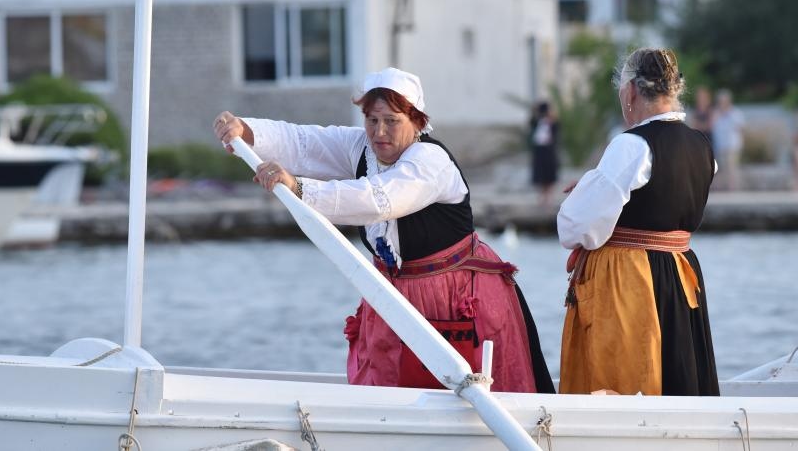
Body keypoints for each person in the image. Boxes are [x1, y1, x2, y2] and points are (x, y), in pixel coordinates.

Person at [212, 67, 554, 393]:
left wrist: (299, 188)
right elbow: (304, 142)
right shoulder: (361, 148)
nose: (379, 132)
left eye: (392, 121)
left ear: (417, 122)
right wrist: (246, 130)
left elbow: (380, 199)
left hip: (455, 296)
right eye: (372, 120)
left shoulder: (430, 162)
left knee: (470, 391)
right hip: (396, 297)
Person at [556, 48, 719, 397]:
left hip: (631, 279)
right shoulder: (702, 146)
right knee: (676, 368)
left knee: (627, 377)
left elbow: (576, 228)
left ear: (630, 92)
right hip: (680, 273)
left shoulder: (631, 145)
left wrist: (584, 191)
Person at [712, 89, 745, 191]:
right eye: (721, 101)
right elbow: (712, 127)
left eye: (724, 101)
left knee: (732, 168)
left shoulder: (735, 113)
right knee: (723, 169)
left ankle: (733, 188)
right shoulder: (716, 114)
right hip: (721, 145)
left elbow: (741, 128)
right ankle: (727, 188)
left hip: (732, 146)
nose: (722, 103)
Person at [528, 101, 559, 207]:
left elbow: (556, 132)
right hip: (539, 151)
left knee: (549, 174)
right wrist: (534, 111)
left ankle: (549, 197)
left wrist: (551, 118)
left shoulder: (552, 122)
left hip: (549, 152)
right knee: (540, 175)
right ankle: (542, 197)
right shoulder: (536, 122)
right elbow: (531, 122)